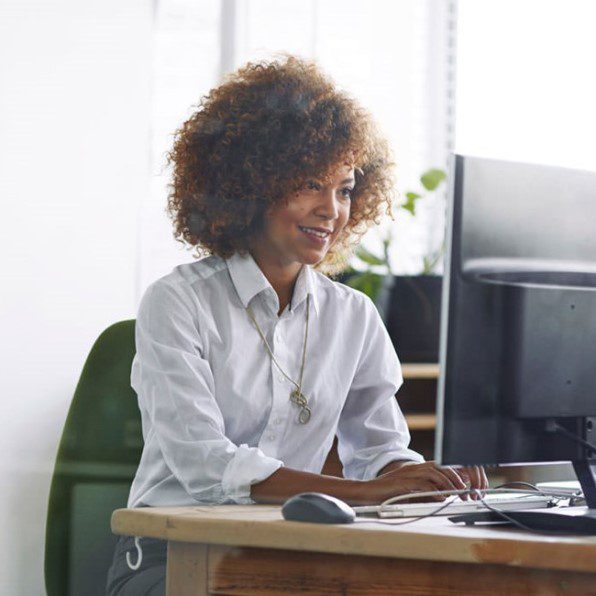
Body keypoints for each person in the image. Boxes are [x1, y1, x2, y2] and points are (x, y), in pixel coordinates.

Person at [106, 55, 488, 595]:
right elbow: (205, 466)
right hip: (170, 557)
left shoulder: (352, 315)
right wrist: (363, 495)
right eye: (310, 183)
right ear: (252, 183)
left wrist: (419, 482)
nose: (332, 210)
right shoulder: (178, 302)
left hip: (293, 552)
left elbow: (379, 450)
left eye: (346, 188)